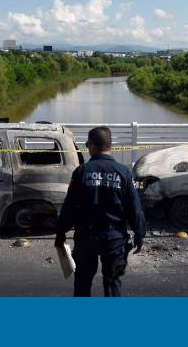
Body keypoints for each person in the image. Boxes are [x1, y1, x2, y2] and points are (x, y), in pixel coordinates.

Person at [55, 127, 146, 297]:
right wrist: (140, 235)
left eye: (88, 144)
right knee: (112, 285)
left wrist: (60, 234)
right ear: (109, 146)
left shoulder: (81, 172)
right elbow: (135, 208)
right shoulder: (124, 173)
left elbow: (69, 207)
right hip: (114, 239)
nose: (88, 147)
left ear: (94, 146)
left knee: (82, 284)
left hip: (85, 238)